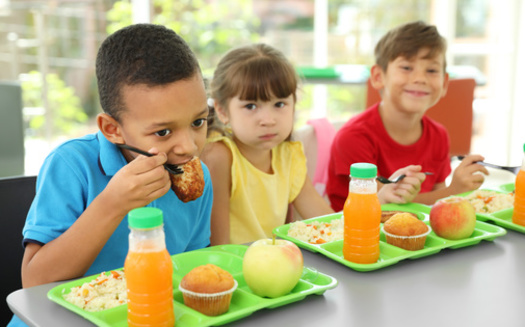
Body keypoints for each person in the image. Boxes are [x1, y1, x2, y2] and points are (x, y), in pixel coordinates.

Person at [8, 24, 213, 327]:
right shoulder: (71, 165)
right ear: (113, 129)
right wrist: (113, 203)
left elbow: (192, 272)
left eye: (198, 122)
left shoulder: (199, 178)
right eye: (164, 131)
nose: (188, 146)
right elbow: (34, 282)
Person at [201, 43, 419, 245]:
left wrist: (377, 200)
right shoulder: (219, 157)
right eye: (250, 106)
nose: (268, 119)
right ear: (222, 110)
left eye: (279, 104)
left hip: (276, 270)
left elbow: (330, 224)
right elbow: (220, 249)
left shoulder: (289, 154)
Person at [326, 20, 488, 211]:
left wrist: (454, 191)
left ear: (445, 84)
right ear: (378, 77)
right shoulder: (354, 137)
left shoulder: (439, 135)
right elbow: (386, 207)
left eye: (432, 70)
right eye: (406, 68)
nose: (420, 78)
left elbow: (437, 210)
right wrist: (454, 191)